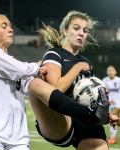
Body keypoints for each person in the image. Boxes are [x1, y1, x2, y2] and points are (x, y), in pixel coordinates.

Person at [28, 11, 118, 150]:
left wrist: (105, 110)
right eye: (76, 28)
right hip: (60, 120)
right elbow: (57, 88)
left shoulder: (86, 62)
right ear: (65, 31)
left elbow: (89, 97)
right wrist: (77, 68)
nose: (81, 33)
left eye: (85, 30)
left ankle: (91, 116)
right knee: (34, 84)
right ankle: (90, 115)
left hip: (84, 120)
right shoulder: (55, 53)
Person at [0, 13, 46, 150]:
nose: (10, 29)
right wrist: (37, 66)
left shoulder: (10, 62)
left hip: (18, 137)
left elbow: (28, 83)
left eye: (10, 26)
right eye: (4, 26)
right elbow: (20, 70)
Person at [103, 65, 120, 144]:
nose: (110, 72)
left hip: (118, 103)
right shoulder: (104, 81)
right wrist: (108, 100)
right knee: (117, 121)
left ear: (115, 72)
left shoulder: (119, 80)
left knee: (112, 119)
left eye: (112, 70)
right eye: (109, 70)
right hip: (109, 104)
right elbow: (102, 93)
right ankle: (112, 137)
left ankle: (112, 138)